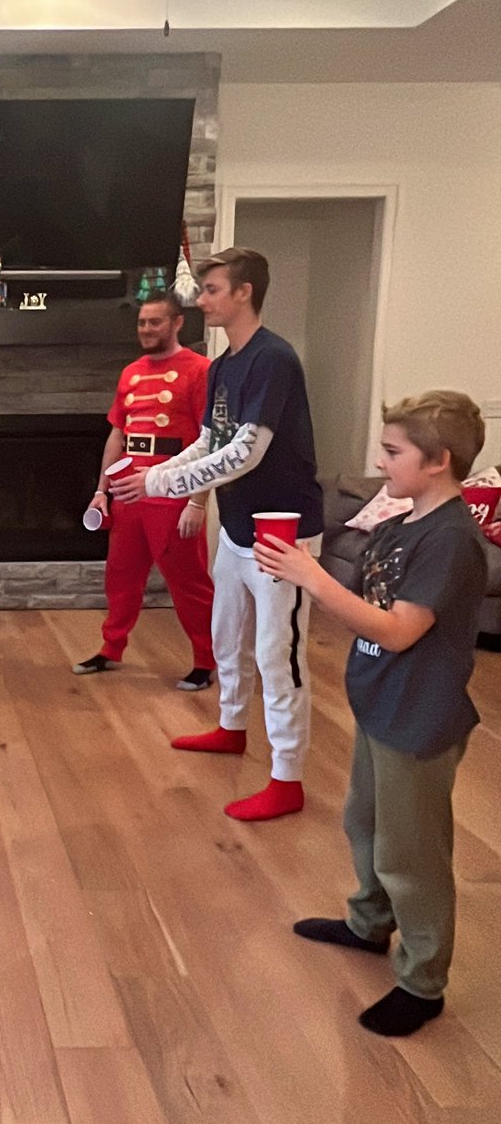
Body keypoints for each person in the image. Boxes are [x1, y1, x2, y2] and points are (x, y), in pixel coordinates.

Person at [256, 391, 487, 1036]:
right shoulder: (404, 522)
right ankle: (369, 924)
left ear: (438, 460)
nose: (380, 464)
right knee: (367, 824)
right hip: (383, 704)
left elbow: (399, 631)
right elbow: (365, 594)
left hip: (421, 716)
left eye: (393, 452)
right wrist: (301, 565)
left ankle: (423, 980)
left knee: (411, 853)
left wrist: (314, 580)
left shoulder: (451, 541)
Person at [111, 248, 324, 821]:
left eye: (210, 290)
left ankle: (288, 778)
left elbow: (248, 451)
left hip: (283, 531)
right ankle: (231, 726)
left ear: (244, 292)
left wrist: (157, 483)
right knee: (228, 636)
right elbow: (211, 439)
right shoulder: (226, 362)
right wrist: (154, 475)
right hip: (234, 525)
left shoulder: (273, 359)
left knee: (279, 653)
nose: (200, 300)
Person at [72, 290, 215, 690]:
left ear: (177, 323)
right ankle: (111, 648)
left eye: (155, 322)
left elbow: (213, 442)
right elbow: (117, 434)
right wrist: (103, 490)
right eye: (142, 323)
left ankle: (205, 659)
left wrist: (198, 501)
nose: (147, 329)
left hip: (173, 491)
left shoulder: (200, 370)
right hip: (128, 490)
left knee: (188, 579)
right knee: (120, 576)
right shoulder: (130, 373)